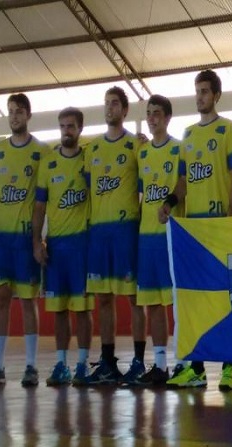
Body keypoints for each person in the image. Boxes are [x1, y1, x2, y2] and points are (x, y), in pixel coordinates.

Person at [159, 70, 232, 391]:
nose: (200, 97)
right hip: (193, 230)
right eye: (197, 91)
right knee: (196, 300)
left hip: (219, 227)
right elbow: (183, 182)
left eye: (205, 91)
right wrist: (169, 202)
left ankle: (229, 368)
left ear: (216, 95)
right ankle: (195, 369)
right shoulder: (188, 134)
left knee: (227, 299)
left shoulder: (228, 129)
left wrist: (231, 213)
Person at [82, 86, 145, 385]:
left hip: (126, 230)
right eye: (106, 104)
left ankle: (139, 362)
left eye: (115, 104)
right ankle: (107, 361)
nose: (110, 108)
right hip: (99, 233)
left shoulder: (136, 146)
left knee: (134, 298)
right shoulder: (91, 149)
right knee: (103, 299)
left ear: (125, 110)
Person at [0, 93, 47, 387]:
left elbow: (41, 201)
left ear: (29, 115)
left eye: (19, 111)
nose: (14, 116)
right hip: (0, 238)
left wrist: (37, 240)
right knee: (1, 298)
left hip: (24, 239)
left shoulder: (41, 152)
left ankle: (32, 366)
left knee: (28, 300)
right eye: (10, 112)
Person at [32, 107, 94, 386]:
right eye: (62, 126)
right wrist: (37, 240)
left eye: (71, 126)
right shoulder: (48, 163)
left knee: (82, 309)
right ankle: (61, 364)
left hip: (82, 244)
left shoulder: (90, 158)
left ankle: (81, 364)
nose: (66, 131)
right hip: (56, 245)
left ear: (80, 129)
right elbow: (40, 206)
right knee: (58, 309)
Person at [130, 95, 183, 387]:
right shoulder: (143, 153)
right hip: (146, 237)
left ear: (168, 117)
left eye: (157, 113)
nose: (152, 118)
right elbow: (139, 193)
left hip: (170, 237)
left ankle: (185, 363)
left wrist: (170, 204)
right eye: (148, 114)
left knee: (175, 301)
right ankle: (160, 364)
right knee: (153, 304)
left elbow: (182, 183)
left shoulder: (178, 149)